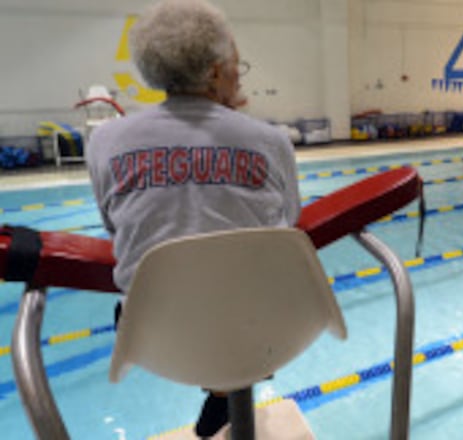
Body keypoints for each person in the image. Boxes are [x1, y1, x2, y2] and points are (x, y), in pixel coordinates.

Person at [85, 0, 301, 437]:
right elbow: (287, 223)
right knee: (249, 289)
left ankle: (221, 395)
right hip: (264, 330)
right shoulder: (271, 141)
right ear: (218, 71)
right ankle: (227, 394)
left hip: (154, 336)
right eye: (238, 65)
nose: (241, 74)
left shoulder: (105, 140)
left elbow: (116, 227)